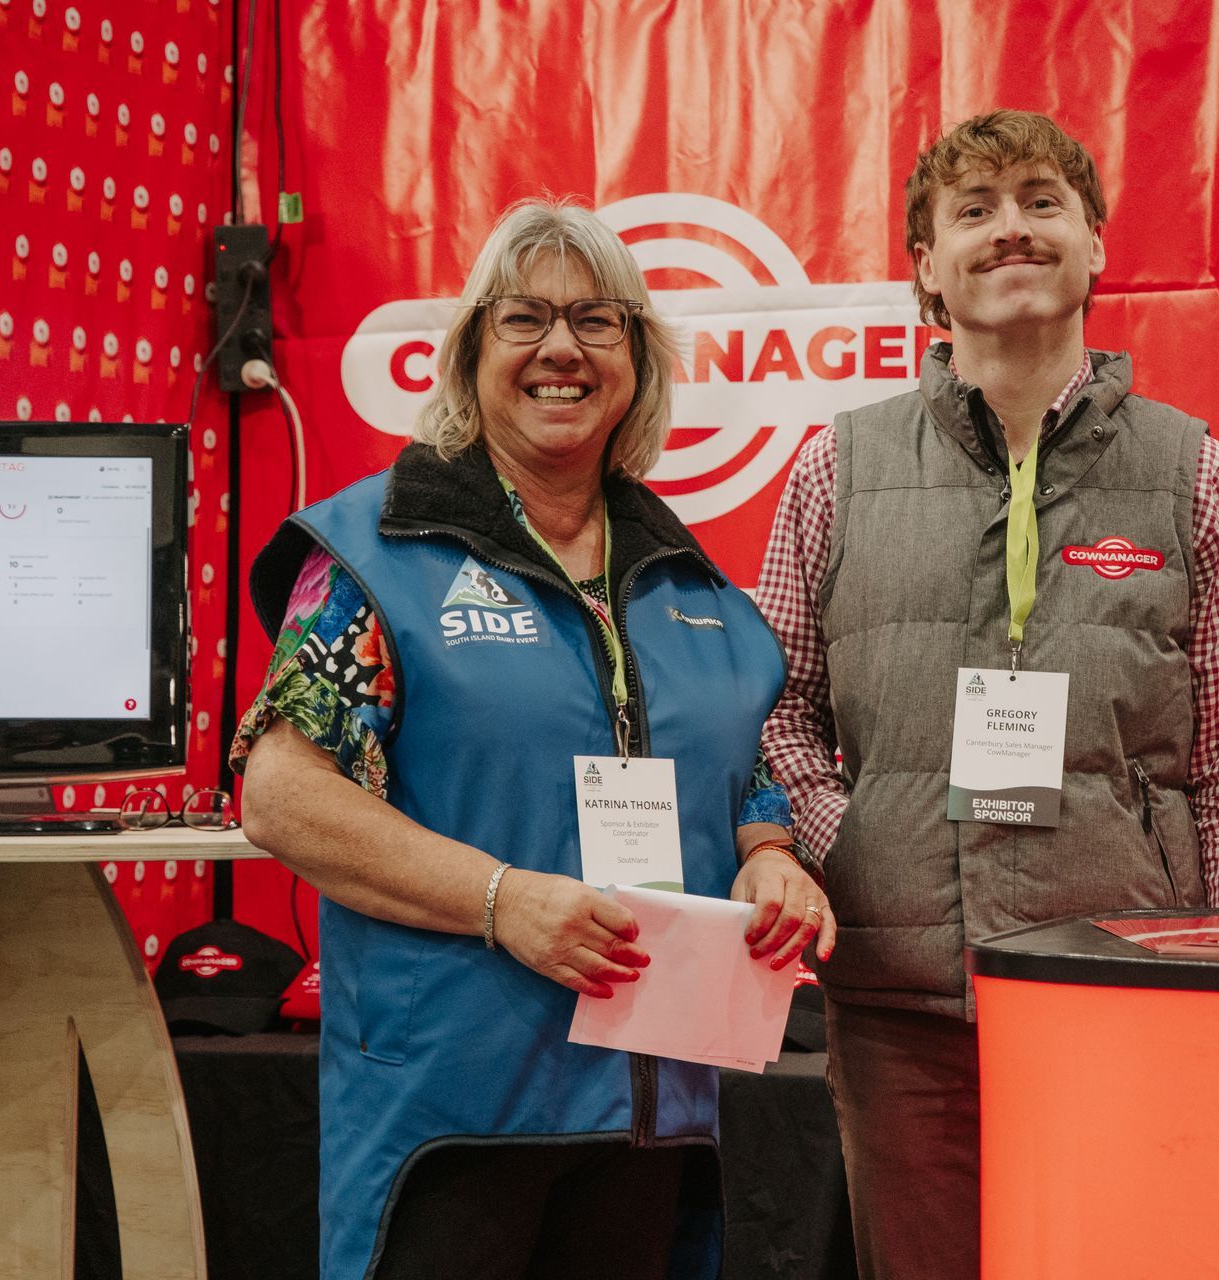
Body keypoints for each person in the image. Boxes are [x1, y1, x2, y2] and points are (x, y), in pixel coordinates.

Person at [234, 198, 834, 1280]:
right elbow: (283, 796)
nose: (563, 347)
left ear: (637, 361)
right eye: (525, 318)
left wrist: (770, 850)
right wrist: (502, 900)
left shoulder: (687, 582)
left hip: (649, 1109)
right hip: (453, 1116)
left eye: (597, 320)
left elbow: (742, 763)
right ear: (472, 354)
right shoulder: (380, 552)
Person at [755, 110, 1219, 1279]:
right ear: (927, 267)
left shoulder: (1197, 474)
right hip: (901, 1007)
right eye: (975, 210)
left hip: (1125, 986)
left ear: (1095, 243)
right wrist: (847, 839)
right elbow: (773, 714)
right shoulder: (835, 468)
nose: (1011, 228)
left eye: (1041, 201)